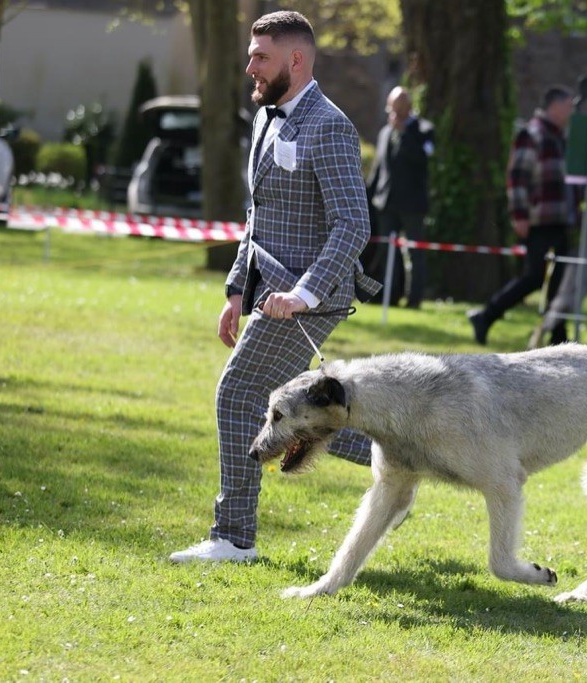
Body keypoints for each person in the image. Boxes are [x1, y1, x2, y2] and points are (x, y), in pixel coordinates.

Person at [170, 11, 379, 563]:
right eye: (249, 55)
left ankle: (233, 538)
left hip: (310, 300)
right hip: (268, 293)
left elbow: (353, 225)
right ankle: (402, 454)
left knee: (237, 393)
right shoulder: (266, 117)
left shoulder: (328, 125)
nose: (249, 67)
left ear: (295, 60)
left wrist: (303, 294)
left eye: (260, 56)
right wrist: (237, 288)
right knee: (309, 413)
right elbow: (257, 214)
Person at [467, 86, 587, 345]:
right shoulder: (532, 133)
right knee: (534, 276)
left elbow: (580, 178)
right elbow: (517, 177)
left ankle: (558, 338)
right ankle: (487, 316)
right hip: (539, 220)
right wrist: (519, 214)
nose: (572, 111)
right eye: (568, 106)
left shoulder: (563, 138)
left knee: (562, 280)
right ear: (554, 106)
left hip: (563, 219)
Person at [367, 86, 434, 309]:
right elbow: (379, 169)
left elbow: (423, 161)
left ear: (408, 108)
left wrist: (405, 134)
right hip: (387, 203)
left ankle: (414, 299)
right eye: (391, 109)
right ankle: (390, 296)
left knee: (416, 254)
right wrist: (367, 196)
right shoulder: (385, 132)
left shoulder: (423, 130)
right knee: (388, 254)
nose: (394, 114)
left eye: (399, 109)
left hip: (412, 205)